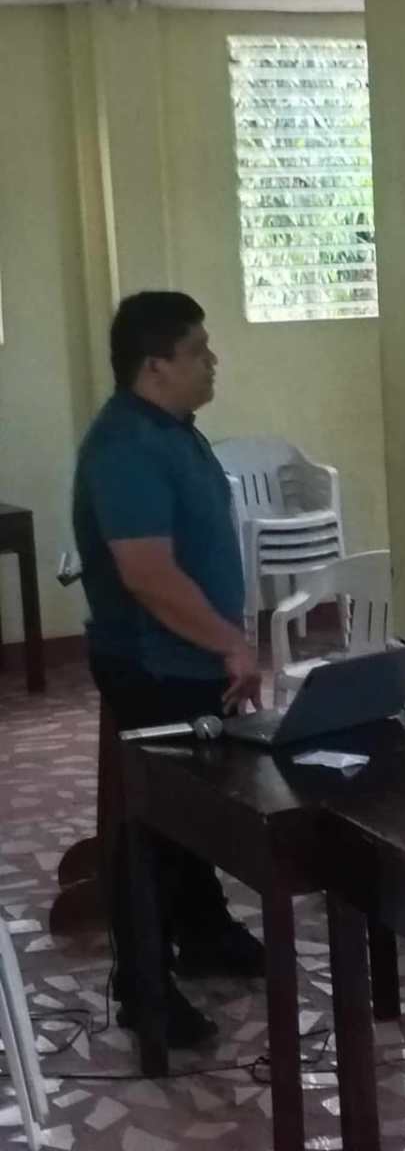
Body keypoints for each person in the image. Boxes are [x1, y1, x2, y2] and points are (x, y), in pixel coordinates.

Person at [73, 291, 265, 1048]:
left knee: (193, 807)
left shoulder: (174, 429)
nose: (213, 361)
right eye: (198, 350)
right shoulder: (126, 446)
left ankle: (205, 933)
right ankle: (144, 989)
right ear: (156, 365)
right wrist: (230, 643)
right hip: (151, 663)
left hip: (189, 657)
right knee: (152, 823)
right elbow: (147, 573)